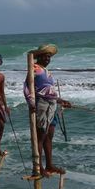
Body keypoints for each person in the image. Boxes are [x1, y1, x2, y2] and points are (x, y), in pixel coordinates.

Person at [22, 43, 71, 176]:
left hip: (52, 105)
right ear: (39, 57)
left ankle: (49, 165)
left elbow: (51, 92)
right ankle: (38, 167)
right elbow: (27, 86)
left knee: (49, 136)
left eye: (49, 57)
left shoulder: (47, 71)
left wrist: (61, 101)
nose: (48, 59)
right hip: (41, 104)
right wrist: (30, 102)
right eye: (45, 56)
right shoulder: (34, 68)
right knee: (40, 136)